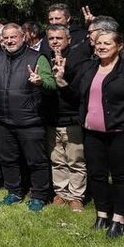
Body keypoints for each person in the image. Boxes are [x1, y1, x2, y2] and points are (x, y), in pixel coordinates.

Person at [56, 30, 124, 238]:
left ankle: (118, 219)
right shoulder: (89, 68)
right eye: (98, 43)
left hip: (121, 132)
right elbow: (75, 96)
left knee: (121, 176)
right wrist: (62, 82)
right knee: (97, 175)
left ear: (119, 46)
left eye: (107, 43)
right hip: (92, 133)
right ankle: (102, 215)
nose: (101, 47)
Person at [0, 23, 56, 211]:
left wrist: (40, 82)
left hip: (30, 120)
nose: (9, 41)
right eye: (6, 38)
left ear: (23, 37)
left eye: (13, 37)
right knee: (8, 159)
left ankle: (39, 195)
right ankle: (14, 192)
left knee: (36, 161)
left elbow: (51, 85)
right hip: (3, 120)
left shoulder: (37, 58)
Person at [42, 24, 87, 210]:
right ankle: (61, 192)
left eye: (59, 38)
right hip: (52, 118)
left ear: (68, 39)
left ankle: (77, 195)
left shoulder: (78, 59)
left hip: (72, 118)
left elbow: (78, 93)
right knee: (57, 159)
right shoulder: (45, 59)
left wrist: (62, 78)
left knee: (76, 159)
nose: (55, 42)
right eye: (51, 38)